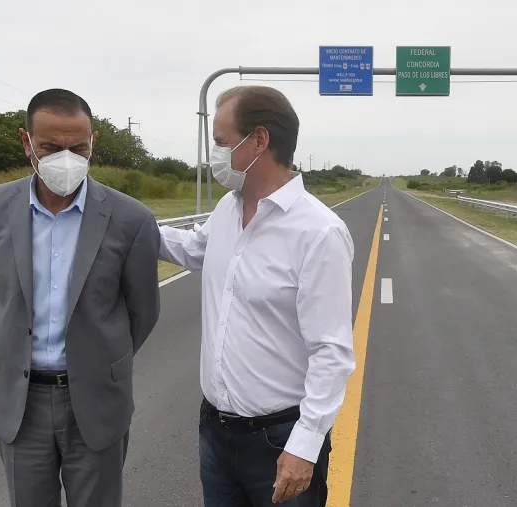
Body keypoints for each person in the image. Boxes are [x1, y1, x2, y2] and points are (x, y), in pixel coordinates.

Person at [158, 85, 356, 506]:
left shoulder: (318, 233)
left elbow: (331, 352)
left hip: (280, 439)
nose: (214, 153)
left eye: (221, 142)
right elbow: (194, 249)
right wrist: (123, 223)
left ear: (259, 141)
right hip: (216, 431)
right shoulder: (229, 209)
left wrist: (304, 447)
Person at [0, 88, 161, 507]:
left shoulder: (132, 219)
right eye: (51, 147)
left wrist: (101, 360)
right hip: (21, 403)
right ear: (26, 143)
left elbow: (142, 311)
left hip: (95, 401)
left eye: (78, 147)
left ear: (94, 144)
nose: (66, 158)